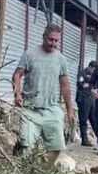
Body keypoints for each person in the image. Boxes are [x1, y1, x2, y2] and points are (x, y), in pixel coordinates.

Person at [12, 23, 75, 166]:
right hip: (30, 108)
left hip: (51, 109)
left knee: (57, 147)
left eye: (56, 41)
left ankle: (42, 173)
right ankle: (23, 170)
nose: (53, 43)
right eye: (50, 39)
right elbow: (17, 74)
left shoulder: (61, 59)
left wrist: (70, 109)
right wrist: (17, 94)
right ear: (43, 37)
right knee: (26, 145)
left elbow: (65, 86)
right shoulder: (30, 54)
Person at [76, 61, 98, 147]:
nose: (93, 71)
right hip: (83, 98)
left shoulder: (94, 76)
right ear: (89, 67)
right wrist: (90, 85)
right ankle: (84, 139)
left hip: (91, 99)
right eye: (93, 69)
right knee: (83, 119)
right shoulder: (82, 73)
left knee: (94, 119)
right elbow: (81, 84)